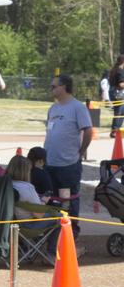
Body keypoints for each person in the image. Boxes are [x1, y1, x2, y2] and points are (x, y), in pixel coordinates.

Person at [43, 74, 92, 237]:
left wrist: (80, 151)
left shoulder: (77, 107)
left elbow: (88, 131)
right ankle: (55, 233)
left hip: (68, 164)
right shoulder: (53, 108)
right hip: (51, 163)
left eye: (54, 86)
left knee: (69, 199)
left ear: (64, 87)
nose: (51, 89)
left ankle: (71, 233)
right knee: (53, 198)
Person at [108, 54, 124, 137]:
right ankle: (115, 131)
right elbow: (121, 84)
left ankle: (116, 130)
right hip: (118, 93)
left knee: (120, 111)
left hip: (112, 91)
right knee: (119, 112)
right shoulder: (120, 71)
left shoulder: (114, 70)